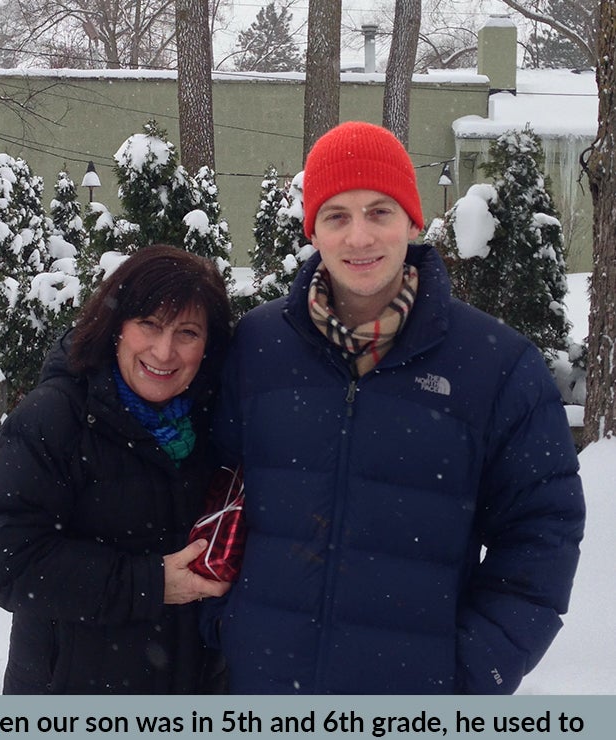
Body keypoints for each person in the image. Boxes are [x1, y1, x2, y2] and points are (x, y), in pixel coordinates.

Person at [202, 120, 586, 695]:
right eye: (337, 216)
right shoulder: (259, 345)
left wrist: (470, 673)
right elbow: (208, 487)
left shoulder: (496, 365)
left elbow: (542, 532)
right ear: (314, 232)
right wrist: (222, 630)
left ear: (411, 220)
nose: (359, 237)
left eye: (379, 211)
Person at [0, 244, 233, 694]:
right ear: (116, 326)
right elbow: (5, 562)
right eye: (149, 324)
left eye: (187, 332)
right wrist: (148, 584)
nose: (164, 351)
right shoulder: (56, 419)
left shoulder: (216, 424)